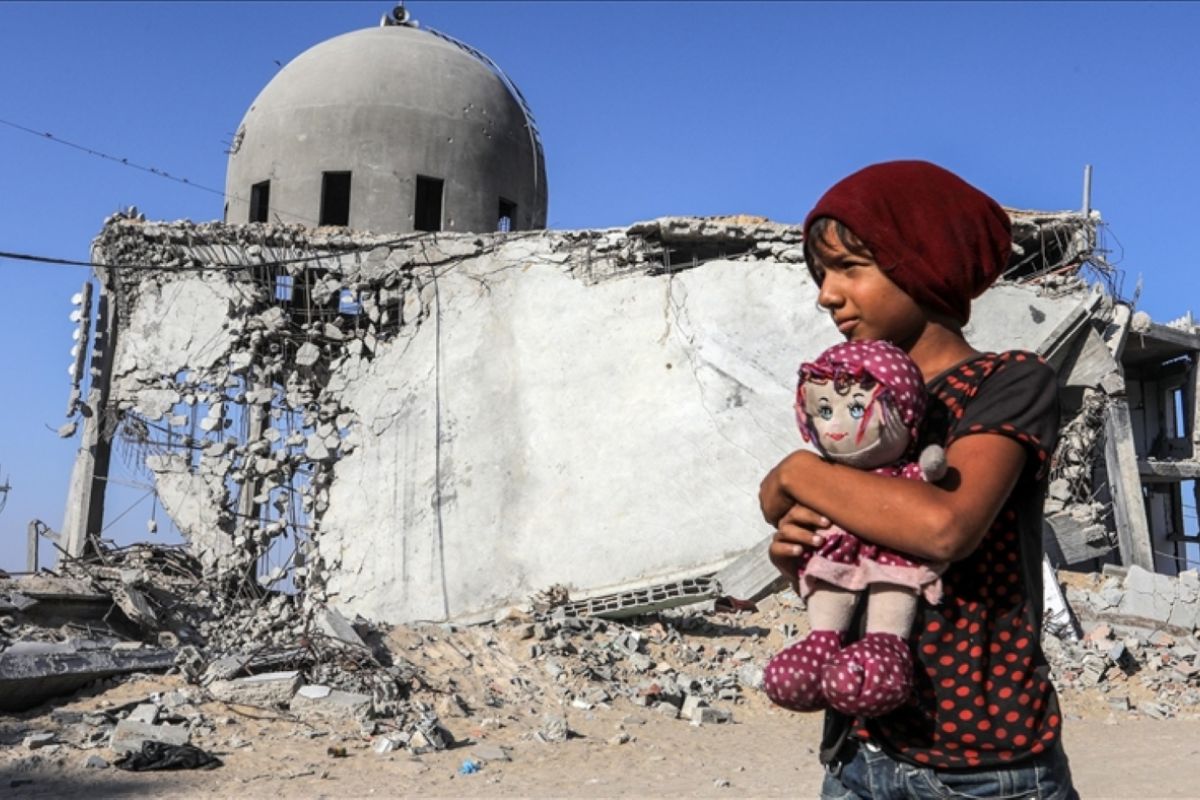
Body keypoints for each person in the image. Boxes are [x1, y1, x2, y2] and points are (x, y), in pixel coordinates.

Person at [759, 160, 1079, 799]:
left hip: (986, 767)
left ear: (923, 267)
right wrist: (797, 542)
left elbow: (944, 526)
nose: (827, 294)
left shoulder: (1007, 382)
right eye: (821, 275)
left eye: (850, 269)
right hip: (858, 754)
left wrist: (796, 475)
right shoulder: (858, 411)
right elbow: (845, 531)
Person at [762, 339, 949, 718]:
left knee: (892, 591)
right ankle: (820, 646)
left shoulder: (814, 475)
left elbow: (944, 524)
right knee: (829, 592)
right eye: (824, 410)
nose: (834, 427)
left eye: (857, 408)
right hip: (836, 558)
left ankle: (885, 647)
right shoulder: (820, 478)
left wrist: (795, 473)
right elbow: (775, 502)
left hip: (892, 562)